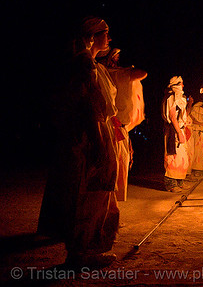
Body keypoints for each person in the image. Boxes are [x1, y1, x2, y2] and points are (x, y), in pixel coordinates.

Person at [38, 16, 120, 267]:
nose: (109, 37)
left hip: (91, 132)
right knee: (90, 192)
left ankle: (86, 247)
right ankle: (81, 251)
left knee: (95, 191)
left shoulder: (90, 63)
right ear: (93, 36)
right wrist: (98, 141)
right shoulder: (84, 64)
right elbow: (89, 105)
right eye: (105, 32)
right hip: (89, 134)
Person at [96, 48, 147, 201]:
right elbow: (142, 73)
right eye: (115, 57)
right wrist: (124, 70)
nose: (118, 60)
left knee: (118, 169)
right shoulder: (115, 74)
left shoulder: (113, 73)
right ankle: (109, 209)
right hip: (112, 128)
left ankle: (112, 208)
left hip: (119, 127)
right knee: (114, 170)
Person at [162, 76, 191, 192]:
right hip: (174, 130)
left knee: (182, 157)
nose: (183, 86)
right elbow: (173, 116)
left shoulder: (179, 98)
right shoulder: (171, 97)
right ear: (177, 85)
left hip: (180, 129)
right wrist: (179, 132)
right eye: (181, 84)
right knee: (173, 157)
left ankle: (179, 181)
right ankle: (171, 184)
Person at [188, 97, 203, 177]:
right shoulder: (196, 110)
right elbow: (191, 118)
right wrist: (200, 124)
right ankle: (197, 169)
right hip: (197, 133)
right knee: (197, 152)